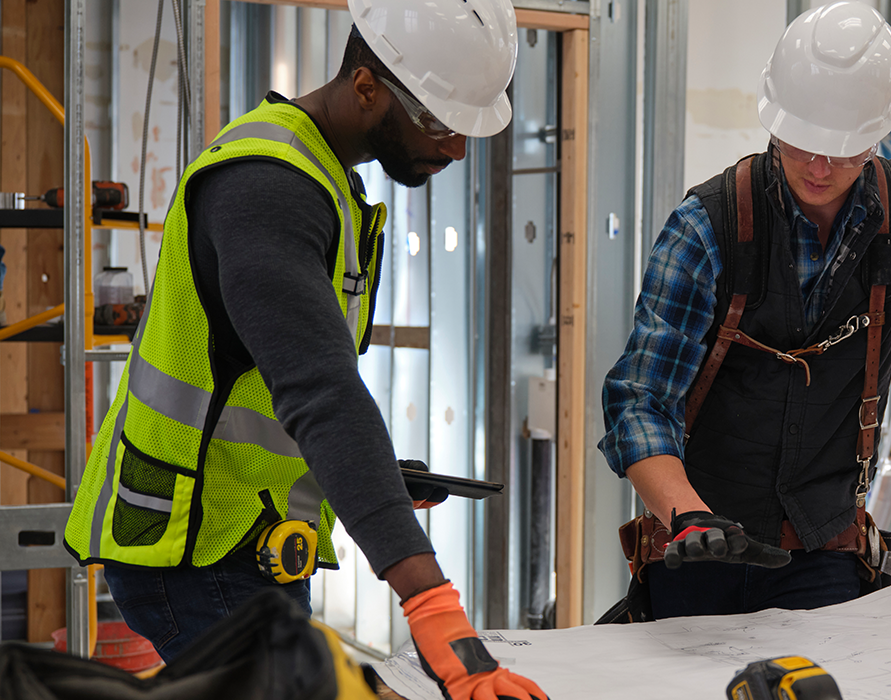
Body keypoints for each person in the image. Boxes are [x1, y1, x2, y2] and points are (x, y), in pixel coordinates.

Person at [62, 0, 545, 697]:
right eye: (440, 122)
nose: (456, 149)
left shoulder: (322, 181)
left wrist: (370, 475)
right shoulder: (267, 188)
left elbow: (266, 383)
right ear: (367, 87)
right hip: (195, 549)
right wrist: (434, 609)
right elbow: (320, 392)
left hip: (239, 538)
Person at [599, 1, 891, 634]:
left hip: (826, 554)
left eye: (843, 152)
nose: (819, 168)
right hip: (697, 555)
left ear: (876, 134)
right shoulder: (705, 224)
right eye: (803, 145)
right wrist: (687, 516)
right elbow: (640, 401)